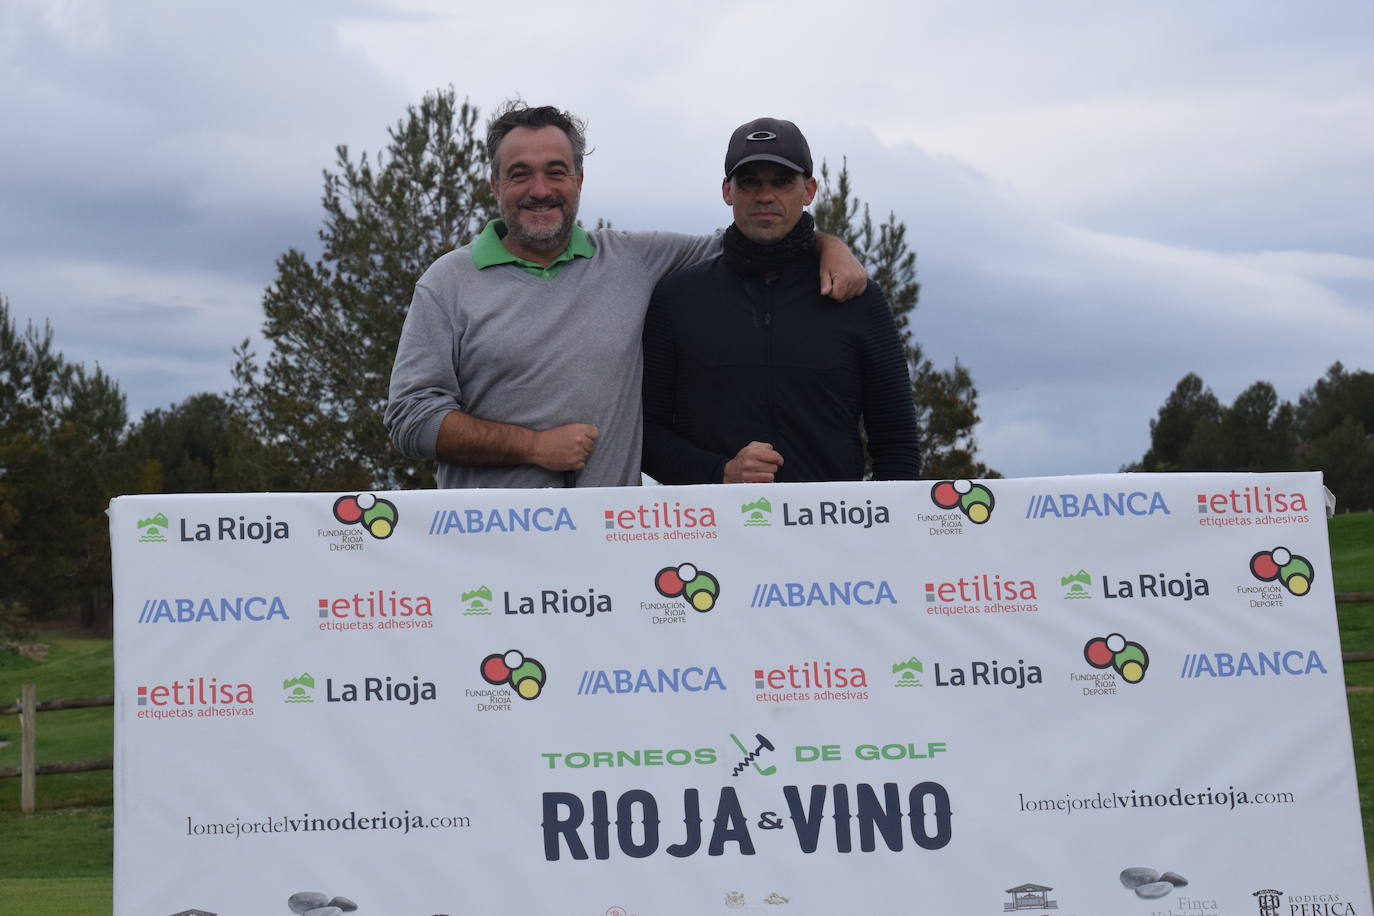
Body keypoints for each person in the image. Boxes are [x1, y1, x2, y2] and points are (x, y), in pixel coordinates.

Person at [384, 102, 867, 489]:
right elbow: (410, 419)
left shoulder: (632, 260)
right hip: (488, 551)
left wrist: (828, 244)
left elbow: (756, 241)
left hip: (613, 556)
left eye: (556, 171)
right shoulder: (448, 281)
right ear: (495, 184)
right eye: (519, 174)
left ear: (578, 180)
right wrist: (532, 447)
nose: (540, 189)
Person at [641, 117, 921, 484]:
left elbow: (898, 442)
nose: (765, 195)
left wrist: (878, 532)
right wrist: (719, 473)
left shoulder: (858, 299)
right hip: (710, 535)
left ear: (809, 190)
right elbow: (647, 435)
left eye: (782, 181)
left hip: (833, 534)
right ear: (728, 190)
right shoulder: (677, 298)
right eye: (750, 181)